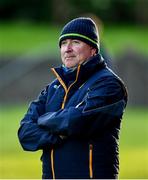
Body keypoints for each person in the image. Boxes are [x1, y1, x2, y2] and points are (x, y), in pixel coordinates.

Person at [18, 17, 128, 179]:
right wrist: (58, 134)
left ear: (93, 49)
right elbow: (25, 134)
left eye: (76, 42)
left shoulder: (109, 83)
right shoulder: (53, 87)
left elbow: (78, 120)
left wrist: (43, 120)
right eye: (63, 43)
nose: (67, 49)